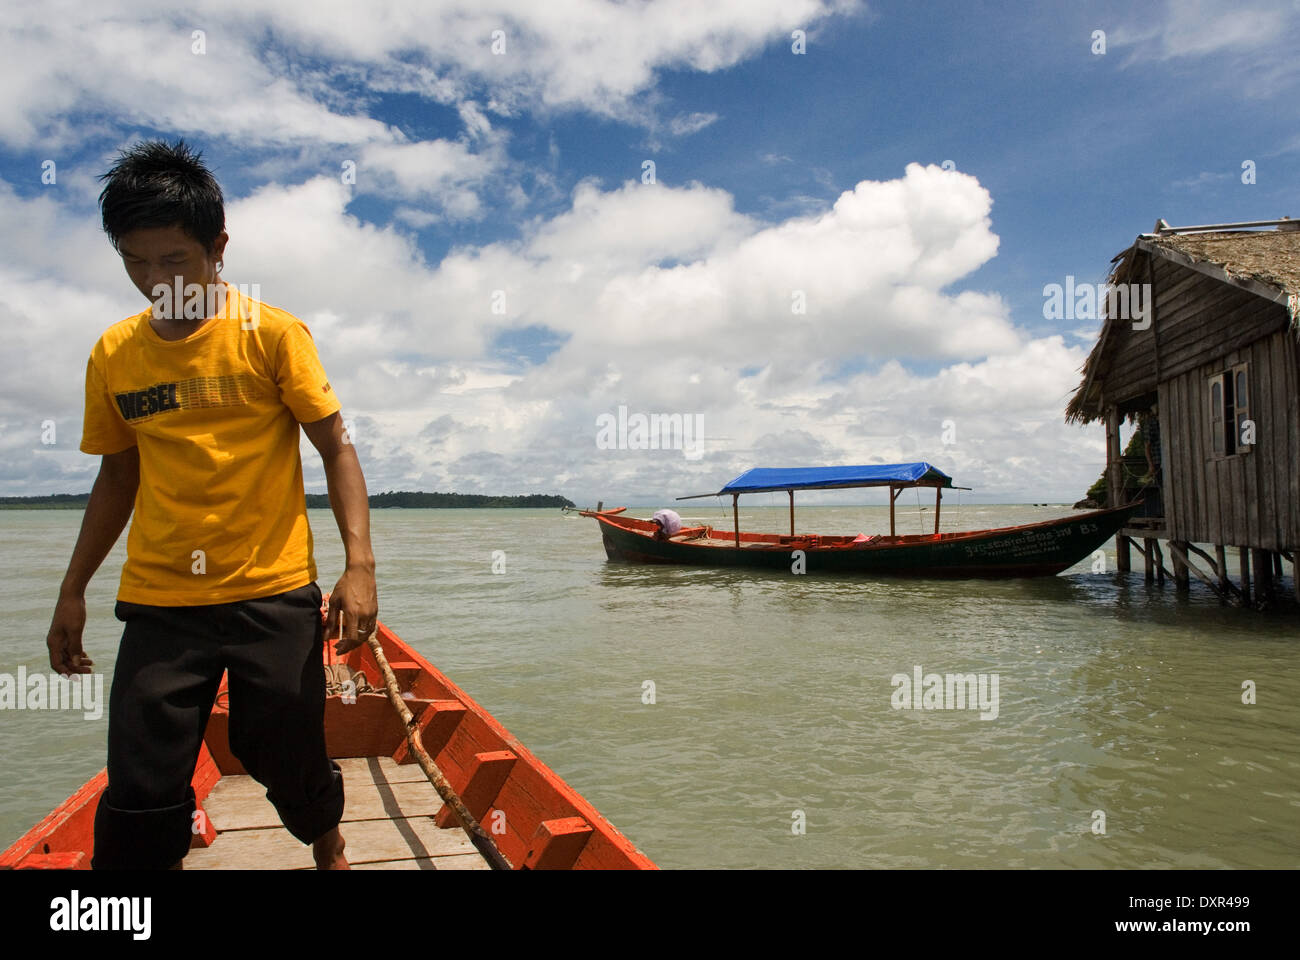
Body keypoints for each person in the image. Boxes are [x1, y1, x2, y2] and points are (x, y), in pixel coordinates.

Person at [44, 140, 377, 870]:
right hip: (161, 598)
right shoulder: (114, 355)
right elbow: (116, 478)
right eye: (135, 261)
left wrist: (359, 566)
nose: (156, 280)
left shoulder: (273, 336)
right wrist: (72, 592)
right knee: (140, 783)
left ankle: (326, 838)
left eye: (174, 261)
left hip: (273, 590)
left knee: (281, 753)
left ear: (218, 247)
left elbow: (336, 448)